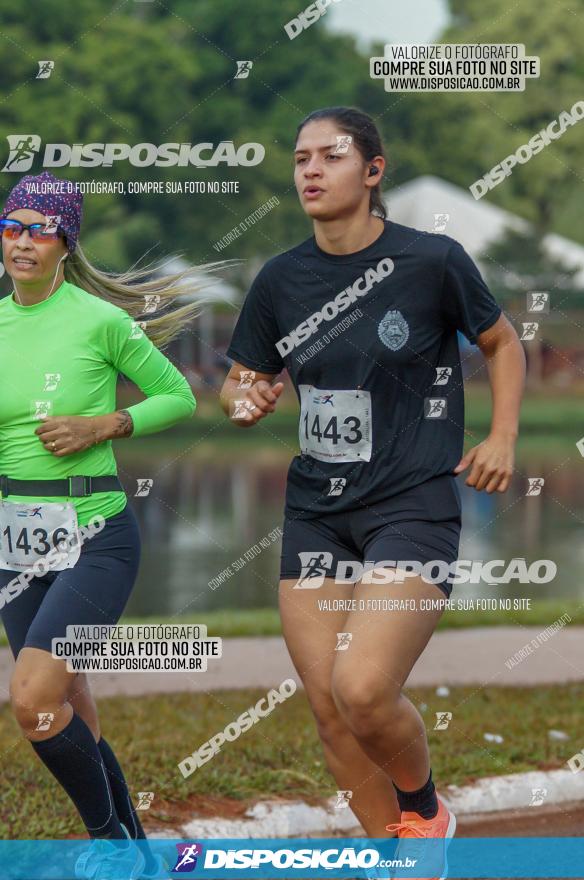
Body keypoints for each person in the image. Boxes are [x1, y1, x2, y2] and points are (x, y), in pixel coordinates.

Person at [220, 107, 526, 878]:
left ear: (374, 171)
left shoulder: (432, 261)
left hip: (410, 503)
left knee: (362, 687)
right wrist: (243, 399)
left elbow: (501, 341)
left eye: (331, 155)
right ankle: (404, 861)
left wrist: (501, 437)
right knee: (328, 709)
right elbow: (244, 377)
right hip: (317, 512)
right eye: (299, 159)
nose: (311, 171)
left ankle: (426, 811)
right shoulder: (281, 279)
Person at [0, 171, 209, 879]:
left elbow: (177, 397)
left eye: (40, 228)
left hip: (95, 535)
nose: (23, 241)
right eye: (12, 225)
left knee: (32, 700)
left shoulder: (99, 321)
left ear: (65, 242)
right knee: (68, 698)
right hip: (17, 541)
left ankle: (110, 846)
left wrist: (105, 422)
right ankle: (139, 853)